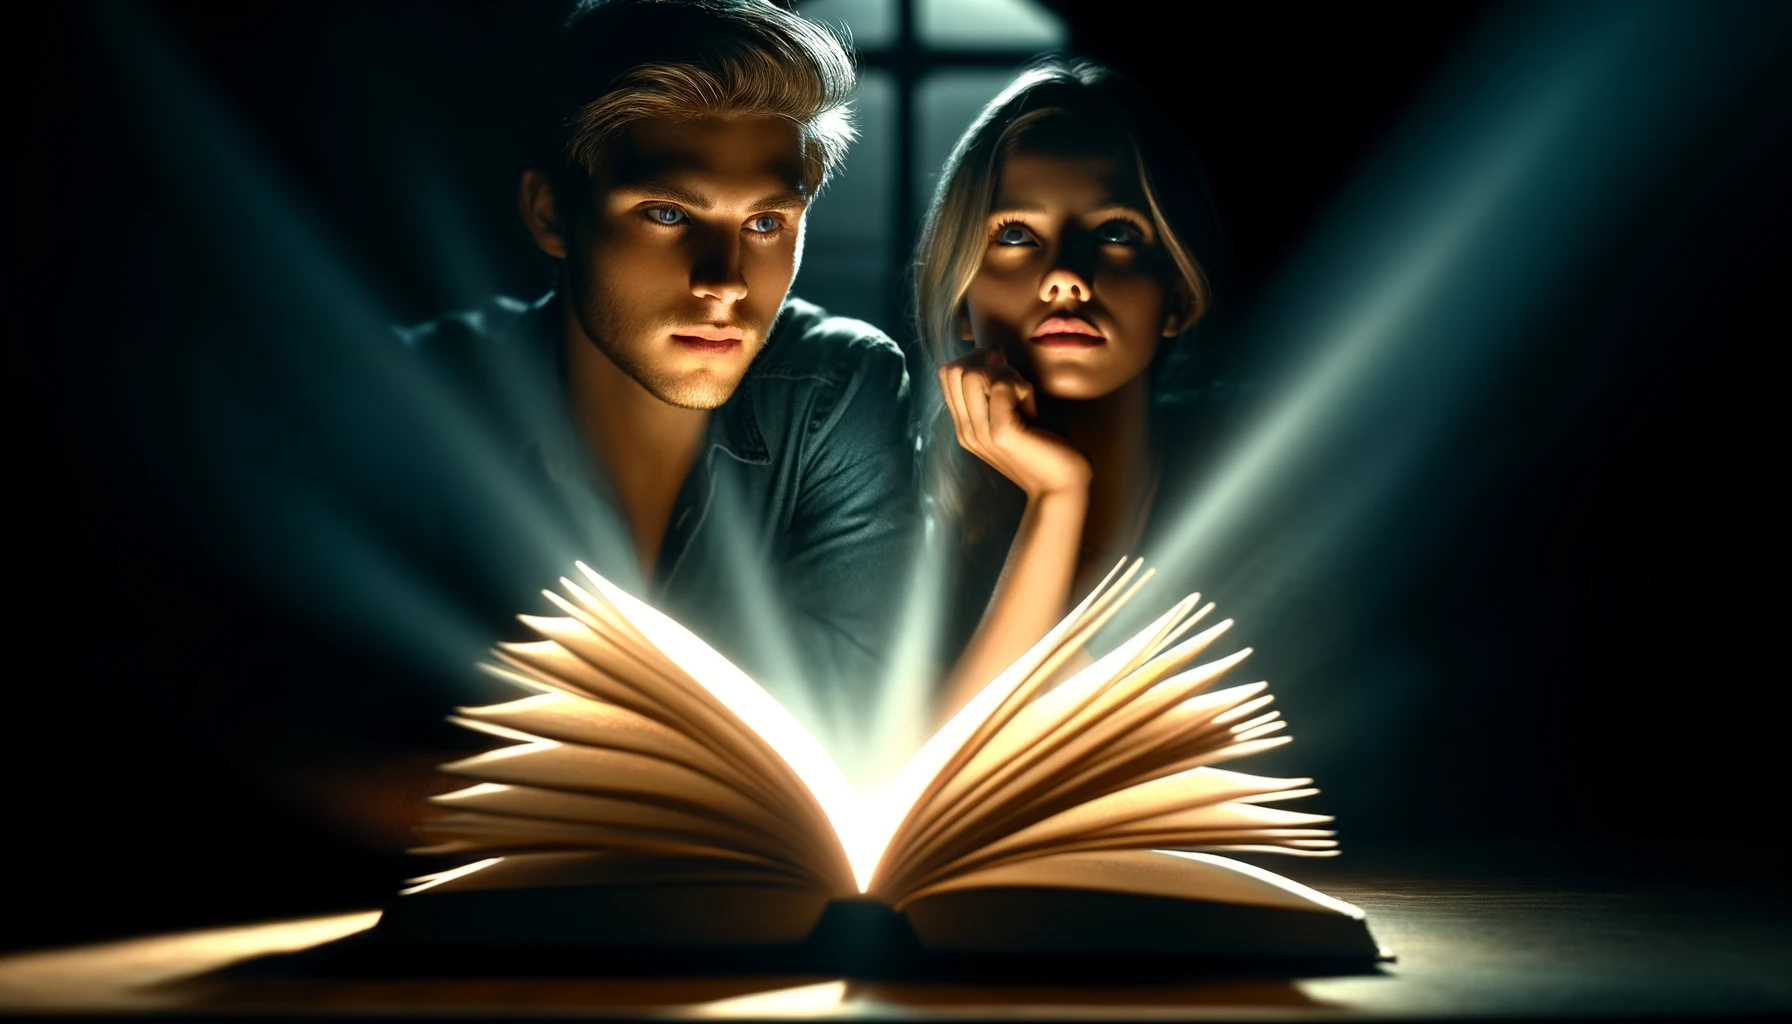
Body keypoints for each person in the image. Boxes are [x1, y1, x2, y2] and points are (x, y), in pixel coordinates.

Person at [399, 0, 920, 719]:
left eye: (766, 223)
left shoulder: (836, 390)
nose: (725, 281)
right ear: (551, 214)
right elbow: (312, 732)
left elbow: (858, 718)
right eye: (669, 214)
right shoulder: (424, 393)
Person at [915, 58, 1234, 718]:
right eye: (1016, 235)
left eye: (1115, 233)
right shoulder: (900, 514)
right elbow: (939, 791)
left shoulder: (1258, 480)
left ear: (1177, 294)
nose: (1065, 278)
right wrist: (1057, 496)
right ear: (960, 302)